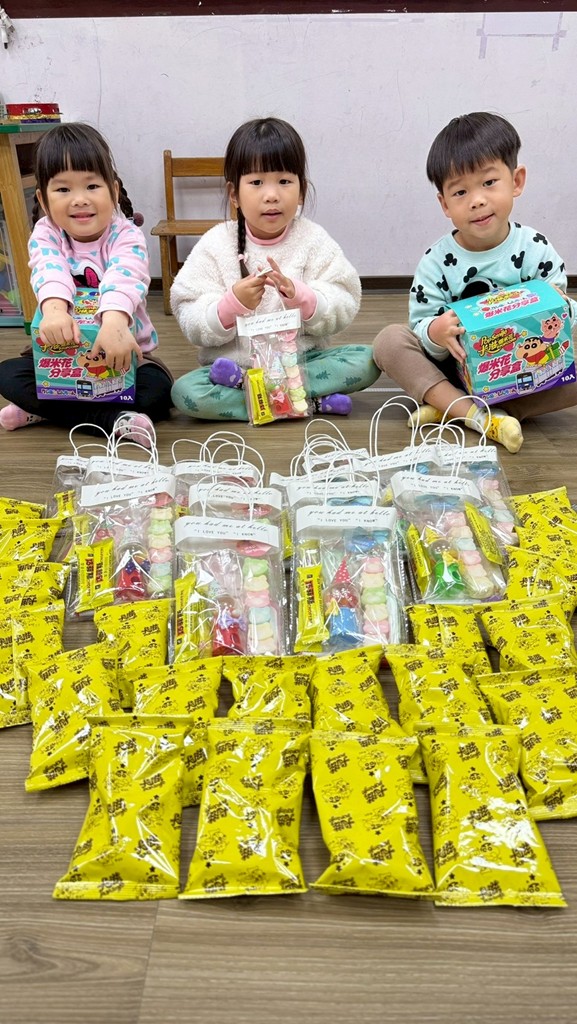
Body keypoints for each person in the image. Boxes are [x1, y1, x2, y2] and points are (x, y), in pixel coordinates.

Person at [372, 111, 577, 453]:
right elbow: (420, 326)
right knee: (388, 341)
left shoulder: (535, 248)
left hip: (524, 372)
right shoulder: (436, 261)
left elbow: (562, 319)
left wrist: (559, 306)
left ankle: (466, 411)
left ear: (516, 181)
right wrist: (436, 332)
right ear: (444, 204)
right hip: (454, 372)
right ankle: (475, 414)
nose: (477, 200)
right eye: (460, 192)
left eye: (489, 183)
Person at [170, 116, 380, 421]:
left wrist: (305, 299)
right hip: (238, 367)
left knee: (369, 360)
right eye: (256, 183)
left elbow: (345, 295)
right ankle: (302, 401)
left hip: (302, 363)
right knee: (186, 392)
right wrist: (230, 306)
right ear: (234, 194)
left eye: (284, 181)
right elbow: (187, 307)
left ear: (301, 190)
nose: (271, 195)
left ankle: (266, 399)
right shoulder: (216, 243)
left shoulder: (313, 239)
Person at [0, 122, 172, 445]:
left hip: (124, 359)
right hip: (60, 360)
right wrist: (54, 311)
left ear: (114, 191)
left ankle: (47, 410)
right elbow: (48, 270)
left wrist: (115, 322)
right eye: (63, 190)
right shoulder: (46, 233)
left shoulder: (126, 234)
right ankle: (112, 421)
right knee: (7, 374)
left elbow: (125, 276)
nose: (79, 200)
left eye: (92, 186)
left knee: (159, 391)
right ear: (43, 199)